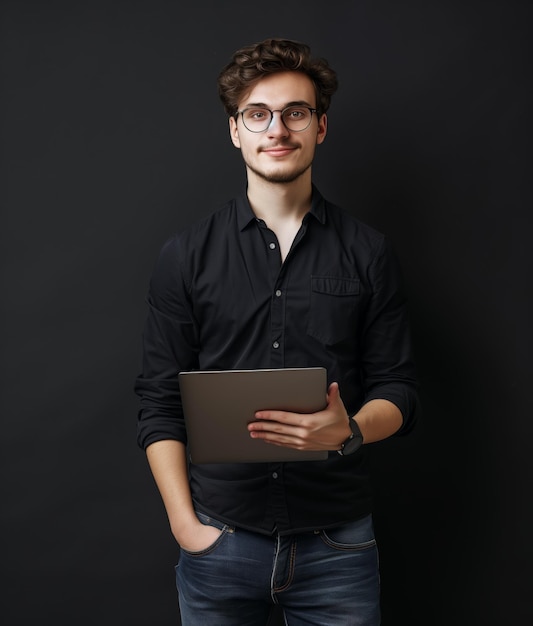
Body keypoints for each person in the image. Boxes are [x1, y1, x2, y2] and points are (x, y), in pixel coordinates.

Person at [134, 37, 418, 626]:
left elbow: (400, 391)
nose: (277, 129)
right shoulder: (185, 257)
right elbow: (159, 402)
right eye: (258, 114)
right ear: (236, 130)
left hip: (338, 546)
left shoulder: (369, 253)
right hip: (219, 540)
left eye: (295, 112)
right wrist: (187, 527)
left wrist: (352, 431)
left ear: (320, 127)